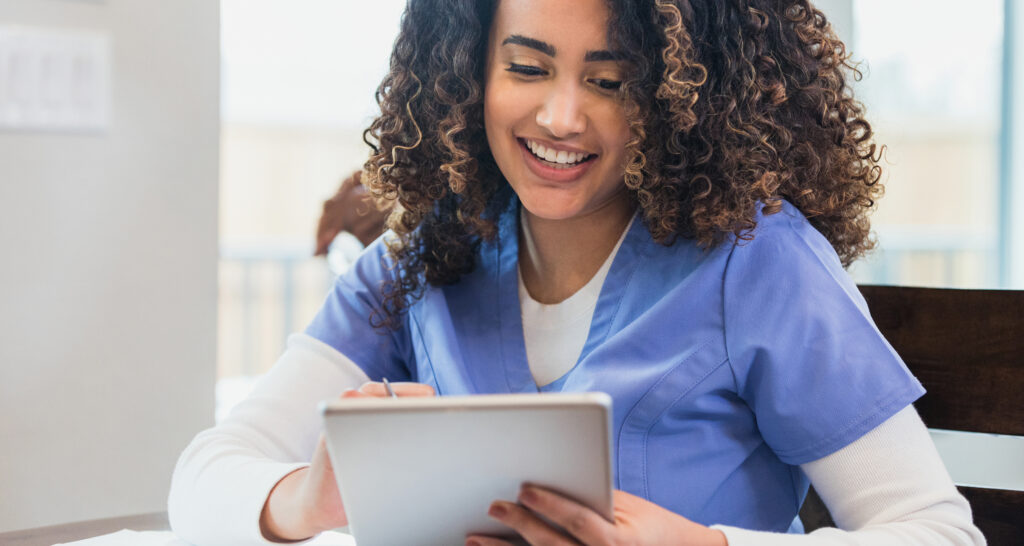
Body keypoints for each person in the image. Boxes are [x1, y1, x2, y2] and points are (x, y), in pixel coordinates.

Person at [169, 1, 986, 545]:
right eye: (526, 69)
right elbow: (205, 473)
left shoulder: (756, 261)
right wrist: (300, 502)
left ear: (680, 96)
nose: (561, 117)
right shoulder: (423, 256)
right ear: (466, 74)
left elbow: (936, 531)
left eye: (610, 82)